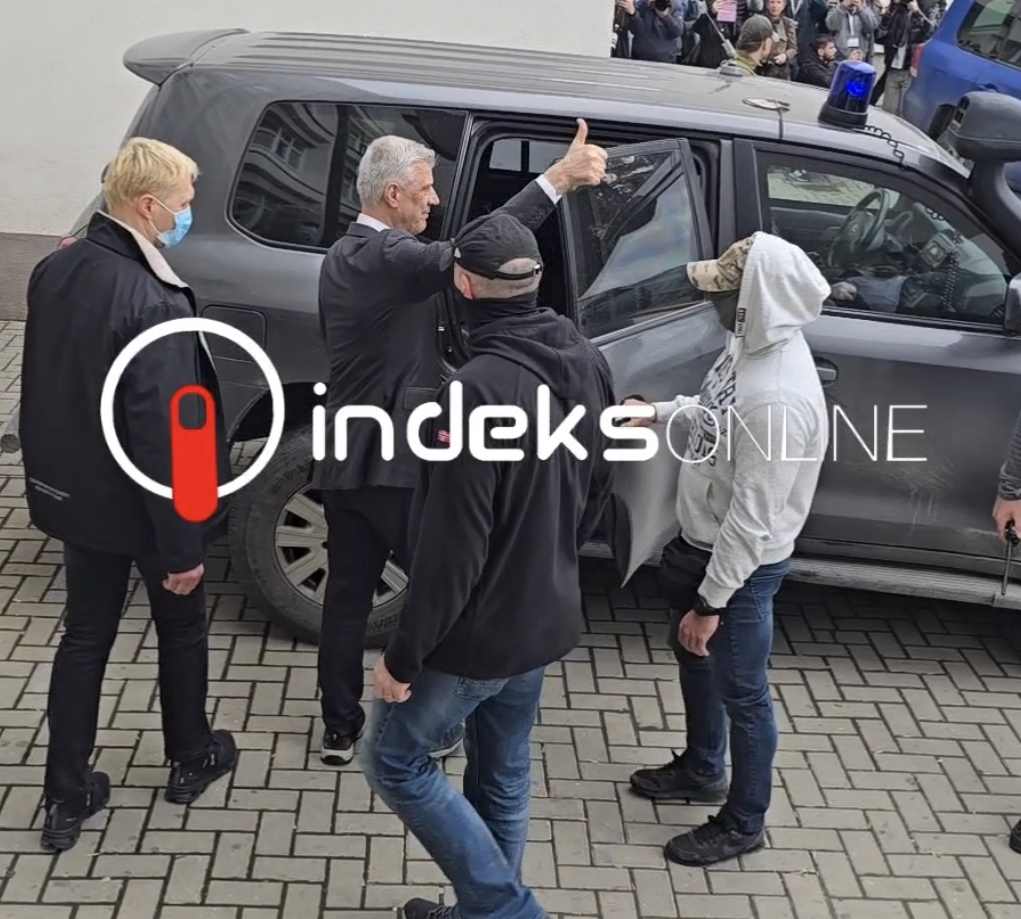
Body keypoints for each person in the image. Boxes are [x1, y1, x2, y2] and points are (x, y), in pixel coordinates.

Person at [314, 122, 607, 767]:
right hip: (395, 462)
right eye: (425, 189)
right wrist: (557, 180)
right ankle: (432, 718)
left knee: (347, 594)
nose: (435, 199)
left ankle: (338, 724)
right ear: (392, 194)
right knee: (440, 584)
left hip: (345, 455)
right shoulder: (387, 256)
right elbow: (479, 250)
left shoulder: (343, 256)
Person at [363, 213, 615, 919]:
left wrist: (404, 657)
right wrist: (552, 555)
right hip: (542, 614)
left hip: (478, 631)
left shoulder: (473, 392)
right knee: (500, 771)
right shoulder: (584, 356)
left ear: (465, 285)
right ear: (535, 280)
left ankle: (507, 909)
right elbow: (600, 482)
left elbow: (454, 549)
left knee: (393, 760)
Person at [21, 138, 237, 852]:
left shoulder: (57, 268)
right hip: (145, 505)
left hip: (80, 497)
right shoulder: (152, 299)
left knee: (85, 636)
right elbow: (166, 433)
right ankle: (190, 756)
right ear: (147, 207)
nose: (187, 213)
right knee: (182, 628)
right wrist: (182, 543)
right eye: (183, 203)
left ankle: (65, 792)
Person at [624, 234, 830, 867]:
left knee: (743, 694)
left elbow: (753, 518)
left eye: (722, 293)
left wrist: (712, 603)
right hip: (704, 549)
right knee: (694, 659)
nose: (711, 301)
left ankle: (744, 822)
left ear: (755, 299)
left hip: (737, 572)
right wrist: (657, 412)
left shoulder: (776, 399)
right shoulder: (750, 346)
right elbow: (713, 413)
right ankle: (702, 768)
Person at [876, 0, 933, 116]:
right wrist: (886, 13)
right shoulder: (896, 10)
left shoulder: (923, 9)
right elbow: (879, 36)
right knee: (888, 111)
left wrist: (917, 13)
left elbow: (928, 34)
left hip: (909, 70)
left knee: (903, 113)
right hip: (893, 66)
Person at [763, 0, 799, 78]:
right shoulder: (760, 21)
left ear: (784, 5)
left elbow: (793, 48)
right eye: (772, 2)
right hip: (761, 66)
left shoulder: (788, 23)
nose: (775, 6)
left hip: (780, 69)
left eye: (779, 2)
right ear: (767, 5)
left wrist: (785, 55)